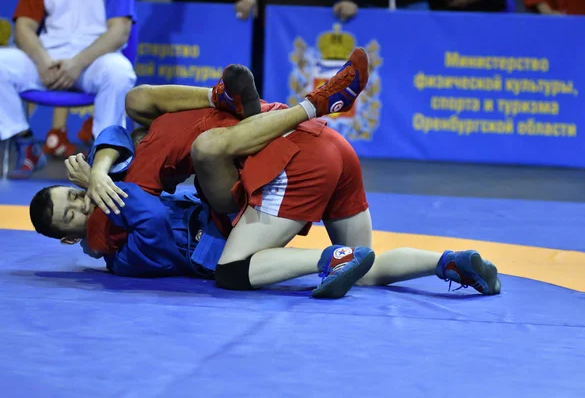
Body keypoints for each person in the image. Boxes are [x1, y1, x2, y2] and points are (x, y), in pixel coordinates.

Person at [30, 50, 501, 297]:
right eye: (72, 214)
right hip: (304, 154)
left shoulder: (116, 173)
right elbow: (148, 218)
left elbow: (117, 129)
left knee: (149, 109)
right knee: (357, 262)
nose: (83, 203)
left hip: (293, 154)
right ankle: (444, 262)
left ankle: (233, 99)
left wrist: (100, 168)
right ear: (72, 239)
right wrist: (105, 183)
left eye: (72, 197)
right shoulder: (108, 238)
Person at [1, 0, 137, 178]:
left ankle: (104, 157)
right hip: (47, 59)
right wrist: (42, 61)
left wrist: (78, 63)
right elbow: (23, 26)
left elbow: (120, 30)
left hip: (95, 59)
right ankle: (25, 143)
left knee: (119, 74)